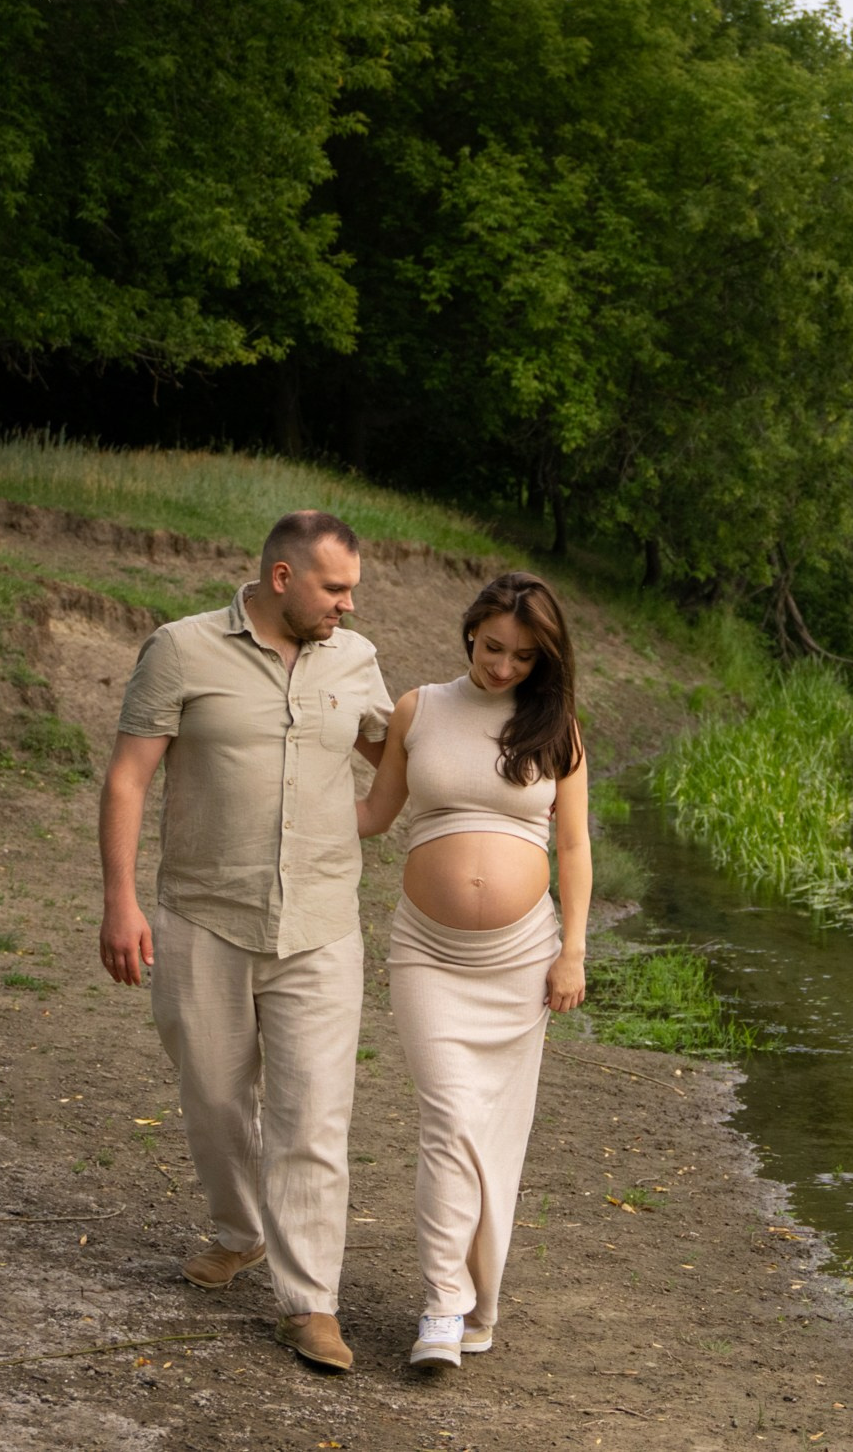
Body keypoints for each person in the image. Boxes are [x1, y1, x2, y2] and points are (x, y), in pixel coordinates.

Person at [97, 510, 394, 1374]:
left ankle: (311, 1305)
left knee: (314, 1115)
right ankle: (239, 1230)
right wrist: (121, 901)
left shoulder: (358, 659)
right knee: (216, 1096)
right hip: (203, 915)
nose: (347, 603)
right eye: (335, 588)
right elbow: (128, 776)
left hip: (322, 927)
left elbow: (398, 751)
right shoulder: (181, 650)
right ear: (281, 579)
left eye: (353, 590)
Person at [356, 570, 591, 1370]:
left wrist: (575, 951)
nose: (503, 668)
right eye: (494, 648)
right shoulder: (419, 708)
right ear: (469, 634)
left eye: (524, 657)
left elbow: (574, 848)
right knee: (450, 1118)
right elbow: (374, 815)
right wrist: (284, 771)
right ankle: (441, 1306)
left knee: (496, 1136)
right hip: (427, 952)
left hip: (522, 958)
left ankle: (479, 1301)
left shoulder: (556, 727)